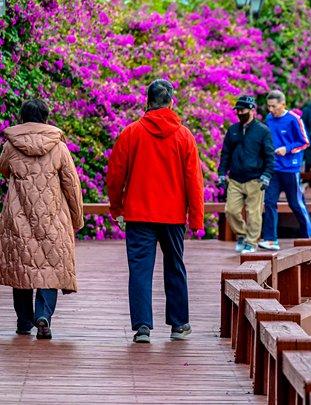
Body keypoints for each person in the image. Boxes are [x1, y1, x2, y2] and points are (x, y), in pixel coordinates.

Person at [107, 79, 204, 343]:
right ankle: (179, 324)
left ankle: (142, 327)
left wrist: (116, 207)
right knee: (175, 266)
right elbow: (193, 180)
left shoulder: (131, 133)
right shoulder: (184, 136)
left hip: (139, 214)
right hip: (172, 215)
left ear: (147, 102)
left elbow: (115, 175)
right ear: (171, 101)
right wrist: (196, 218)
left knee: (140, 269)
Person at [0, 100, 83, 340]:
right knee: (50, 267)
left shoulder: (10, 146)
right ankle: (43, 315)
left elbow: (4, 170)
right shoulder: (59, 147)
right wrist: (76, 219)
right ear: (46, 118)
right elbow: (71, 185)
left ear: (23, 118)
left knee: (21, 267)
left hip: (18, 217)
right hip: (53, 218)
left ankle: (24, 321)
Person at [218, 95, 275, 254]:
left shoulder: (263, 131)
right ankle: (242, 235)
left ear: (252, 110)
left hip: (255, 179)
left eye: (242, 110)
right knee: (231, 211)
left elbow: (270, 156)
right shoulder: (233, 130)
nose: (239, 113)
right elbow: (226, 154)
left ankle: (251, 242)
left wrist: (267, 175)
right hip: (235, 178)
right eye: (237, 110)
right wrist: (222, 174)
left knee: (254, 213)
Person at [261, 90, 311, 251]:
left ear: (283, 104)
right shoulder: (269, 119)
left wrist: (287, 149)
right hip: (274, 168)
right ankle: (271, 240)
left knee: (295, 203)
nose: (271, 110)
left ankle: (309, 233)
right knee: (269, 202)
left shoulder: (294, 119)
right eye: (269, 106)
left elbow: (305, 142)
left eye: (274, 106)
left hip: (291, 169)